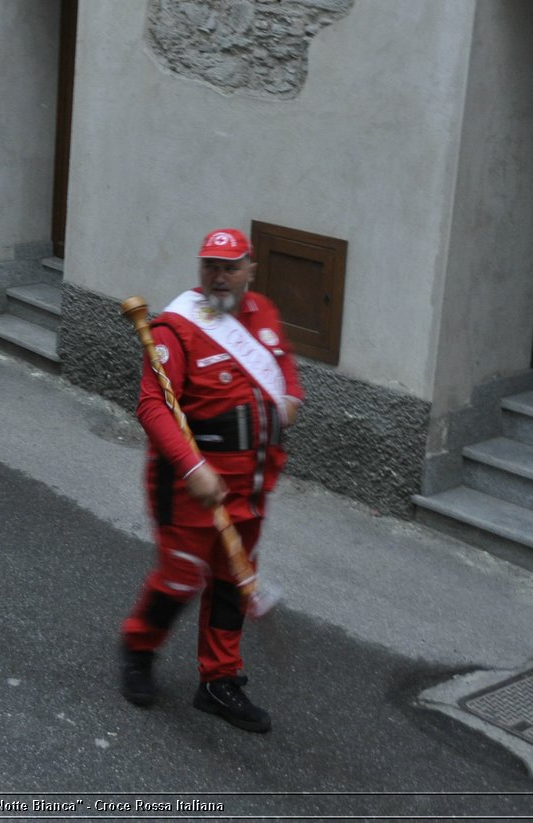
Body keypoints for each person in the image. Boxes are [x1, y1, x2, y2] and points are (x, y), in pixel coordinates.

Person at [118, 228, 304, 733]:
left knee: (232, 580)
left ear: (250, 269)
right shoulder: (175, 329)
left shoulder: (261, 312)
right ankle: (138, 648)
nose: (219, 276)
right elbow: (152, 405)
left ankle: (218, 680)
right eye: (210, 267)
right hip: (189, 487)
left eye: (230, 266)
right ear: (200, 271)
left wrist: (290, 397)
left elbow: (284, 367)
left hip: (254, 483)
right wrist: (194, 468)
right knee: (180, 578)